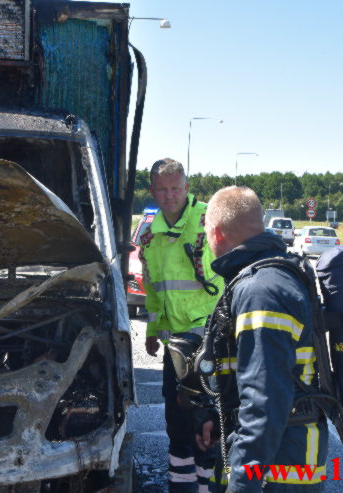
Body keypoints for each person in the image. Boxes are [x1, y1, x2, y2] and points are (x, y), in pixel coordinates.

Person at [198, 186, 328, 492]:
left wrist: (242, 485)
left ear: (216, 234)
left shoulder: (260, 290)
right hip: (276, 465)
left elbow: (264, 402)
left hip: (277, 475)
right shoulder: (260, 279)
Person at [139, 158, 223, 492]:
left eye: (175, 188)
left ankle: (210, 484)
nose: (169, 195)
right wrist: (150, 330)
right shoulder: (149, 236)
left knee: (208, 419)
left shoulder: (210, 220)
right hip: (177, 346)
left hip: (211, 337)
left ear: (187, 188)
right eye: (162, 189)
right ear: (152, 191)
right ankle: (183, 485)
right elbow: (153, 288)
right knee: (176, 418)